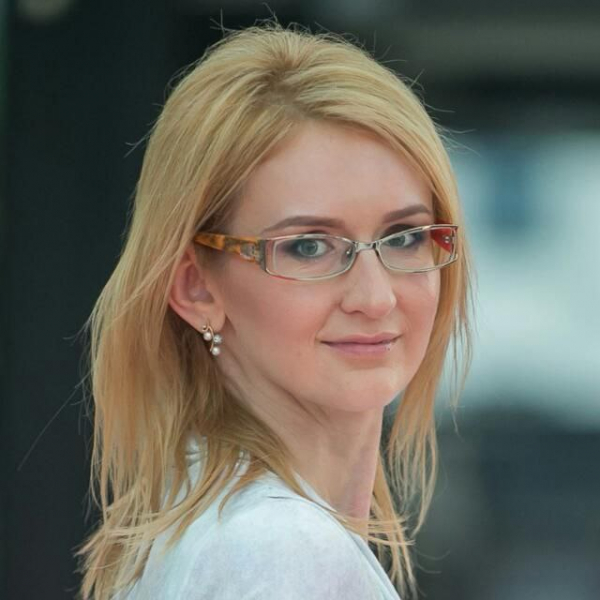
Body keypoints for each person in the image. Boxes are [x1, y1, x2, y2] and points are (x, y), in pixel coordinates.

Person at [76, 23, 473, 600]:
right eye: (308, 247)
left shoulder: (210, 529)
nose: (375, 298)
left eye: (406, 237)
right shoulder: (281, 550)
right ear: (196, 289)